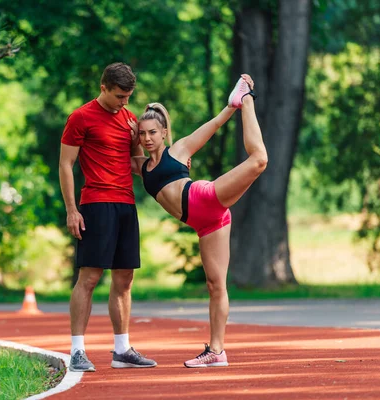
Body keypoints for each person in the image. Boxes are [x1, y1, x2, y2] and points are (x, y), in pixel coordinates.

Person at [129, 75, 267, 368]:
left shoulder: (178, 150)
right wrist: (129, 132)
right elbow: (120, 151)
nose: (148, 138)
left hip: (206, 198)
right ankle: (217, 352)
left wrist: (233, 106)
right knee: (216, 285)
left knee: (258, 160)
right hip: (205, 224)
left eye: (153, 132)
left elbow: (214, 125)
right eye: (143, 134)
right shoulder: (141, 167)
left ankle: (247, 99)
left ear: (164, 133)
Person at [59, 62, 157, 372]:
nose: (124, 103)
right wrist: (72, 210)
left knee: (124, 279)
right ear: (103, 88)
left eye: (128, 97)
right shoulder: (81, 117)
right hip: (96, 204)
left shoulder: (129, 120)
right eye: (118, 96)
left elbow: (133, 162)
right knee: (89, 278)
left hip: (126, 205)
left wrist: (167, 162)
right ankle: (77, 351)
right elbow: (65, 165)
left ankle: (122, 350)